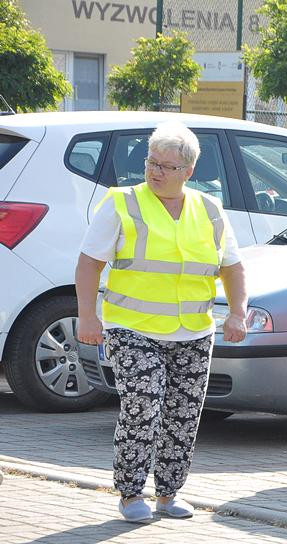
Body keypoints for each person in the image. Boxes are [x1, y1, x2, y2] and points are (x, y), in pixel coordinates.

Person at [74, 121, 248, 523]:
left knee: (183, 413)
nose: (156, 172)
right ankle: (131, 491)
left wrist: (237, 310)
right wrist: (87, 315)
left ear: (189, 171)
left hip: (193, 330)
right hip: (132, 328)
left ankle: (169, 493)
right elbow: (89, 263)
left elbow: (232, 267)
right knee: (143, 403)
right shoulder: (122, 203)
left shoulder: (209, 209)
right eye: (152, 162)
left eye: (168, 167)